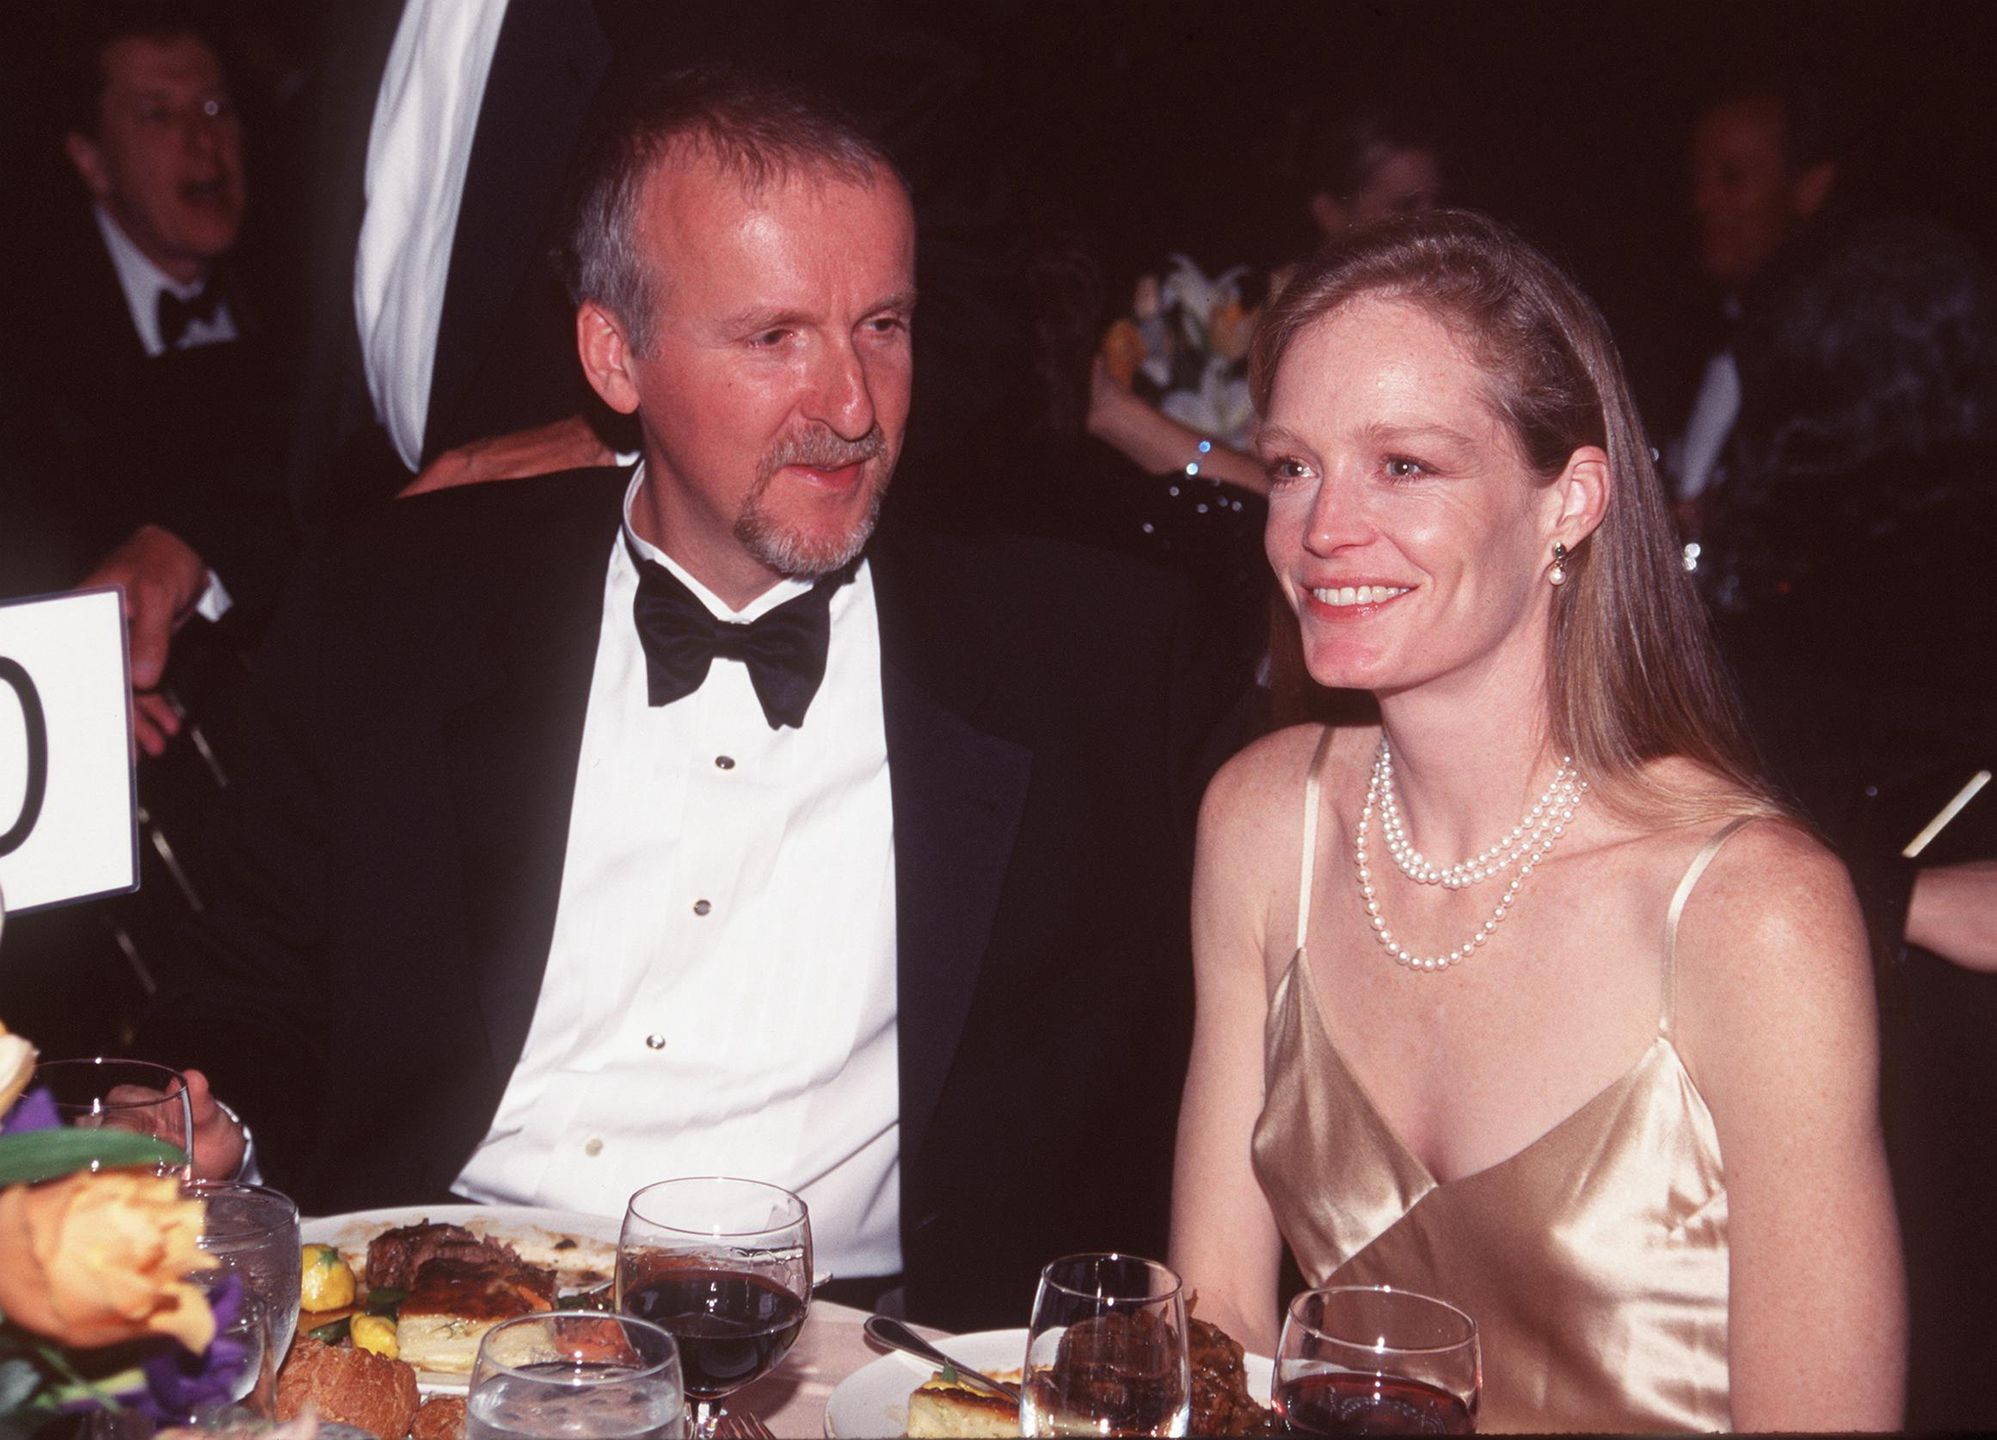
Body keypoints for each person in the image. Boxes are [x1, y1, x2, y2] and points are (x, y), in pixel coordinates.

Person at [136, 66, 1237, 1331]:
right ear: (616, 354)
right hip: (427, 1323)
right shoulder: (398, 609)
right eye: (774, 338)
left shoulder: (1093, 658)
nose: (850, 407)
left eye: (881, 325)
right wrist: (202, 1116)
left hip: (842, 1359)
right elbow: (245, 994)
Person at [1169, 211, 1904, 1431]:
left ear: (1569, 500)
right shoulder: (1261, 821)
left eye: (1401, 465)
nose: (1318, 529)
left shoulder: (1750, 913)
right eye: (1292, 463)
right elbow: (1221, 1336)